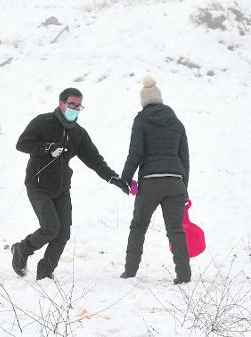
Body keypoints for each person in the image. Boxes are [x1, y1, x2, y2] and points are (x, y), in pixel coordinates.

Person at [11, 87, 128, 280]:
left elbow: (95, 161)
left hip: (62, 189)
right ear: (61, 104)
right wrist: (47, 148)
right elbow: (22, 143)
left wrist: (115, 179)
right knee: (51, 228)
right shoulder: (43, 122)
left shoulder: (78, 134)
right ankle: (22, 249)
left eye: (78, 105)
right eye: (71, 104)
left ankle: (45, 273)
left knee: (63, 233)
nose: (75, 108)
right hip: (38, 185)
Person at [119, 75, 191, 284]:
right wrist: (184, 187)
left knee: (139, 226)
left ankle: (130, 272)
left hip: (150, 182)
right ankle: (184, 275)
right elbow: (184, 158)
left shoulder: (141, 120)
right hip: (175, 181)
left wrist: (125, 179)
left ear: (144, 101)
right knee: (175, 230)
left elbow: (135, 153)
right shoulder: (177, 123)